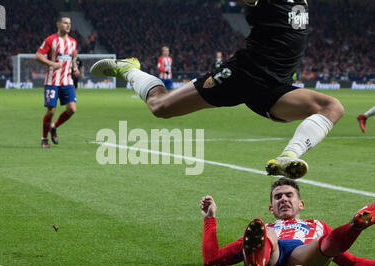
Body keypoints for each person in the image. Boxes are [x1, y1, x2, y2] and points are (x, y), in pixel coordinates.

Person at [90, 0, 345, 179]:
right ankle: (129, 69)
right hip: (243, 74)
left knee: (332, 107)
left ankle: (287, 157)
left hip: (275, 86)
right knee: (161, 107)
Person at [200, 178, 374, 266]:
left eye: (289, 195)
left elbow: (353, 264)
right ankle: (258, 262)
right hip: (271, 261)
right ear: (271, 208)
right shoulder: (260, 232)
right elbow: (212, 259)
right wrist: (209, 218)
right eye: (278, 197)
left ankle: (355, 225)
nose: (283, 199)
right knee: (265, 231)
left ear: (301, 204)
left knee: (323, 244)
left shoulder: (318, 225)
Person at [35, 16, 80, 148]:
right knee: (51, 111)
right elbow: (38, 56)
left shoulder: (73, 42)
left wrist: (75, 68)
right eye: (65, 23)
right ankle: (44, 139)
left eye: (70, 23)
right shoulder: (51, 40)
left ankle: (54, 127)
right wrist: (51, 63)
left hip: (67, 81)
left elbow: (73, 57)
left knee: (72, 109)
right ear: (58, 24)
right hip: (52, 82)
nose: (68, 26)